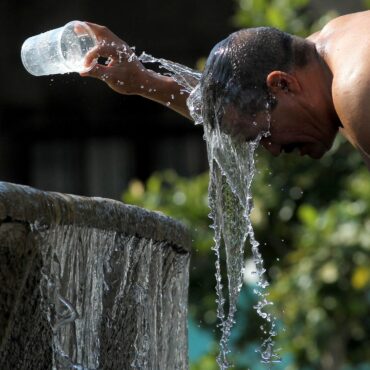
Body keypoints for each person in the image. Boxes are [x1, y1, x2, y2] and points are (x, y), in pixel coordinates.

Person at [80, 11, 370, 169]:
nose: (273, 149)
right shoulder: (325, 53)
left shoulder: (356, 91)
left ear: (282, 83)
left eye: (264, 134)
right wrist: (142, 80)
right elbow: (232, 100)